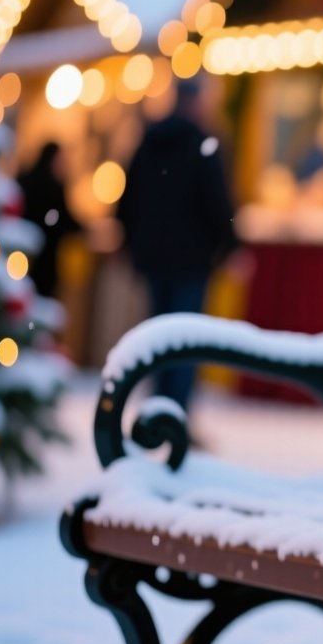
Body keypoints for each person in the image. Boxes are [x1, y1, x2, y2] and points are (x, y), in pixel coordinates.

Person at [117, 78, 240, 410]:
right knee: (184, 341)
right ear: (196, 101)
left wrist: (132, 244)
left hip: (154, 257)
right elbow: (219, 202)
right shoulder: (203, 143)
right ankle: (176, 414)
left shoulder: (149, 141)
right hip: (191, 258)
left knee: (158, 338)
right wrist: (230, 245)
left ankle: (157, 410)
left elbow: (126, 202)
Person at [16, 141, 80, 300]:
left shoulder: (24, 180)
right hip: (44, 259)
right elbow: (65, 220)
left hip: (21, 255)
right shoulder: (53, 187)